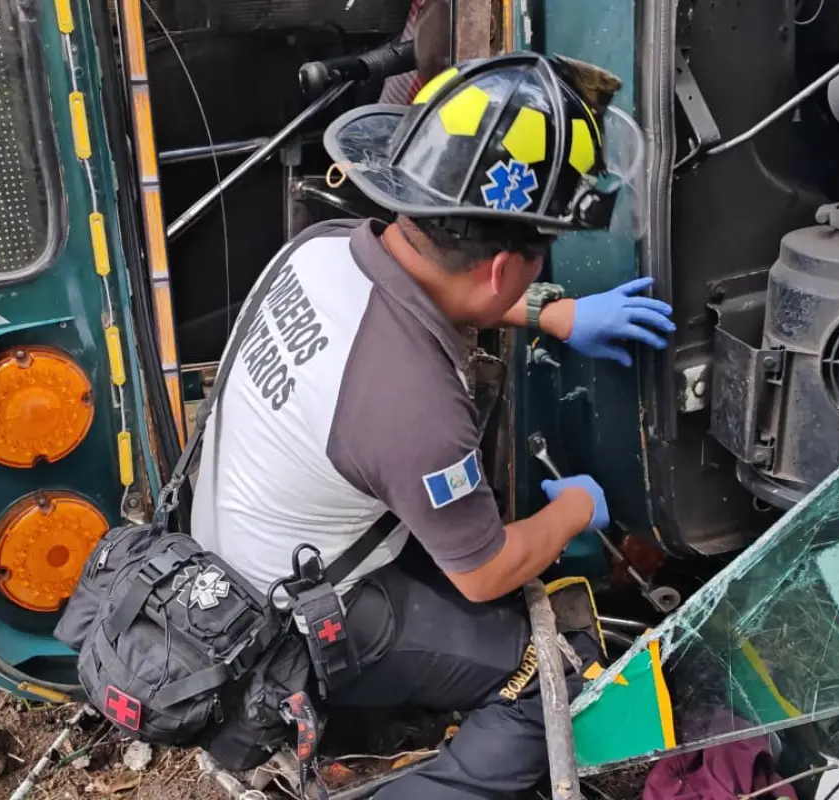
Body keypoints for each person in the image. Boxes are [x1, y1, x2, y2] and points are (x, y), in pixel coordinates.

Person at [190, 51, 675, 799]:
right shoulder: (412, 404)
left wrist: (553, 312)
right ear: (501, 268)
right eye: (539, 256)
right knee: (557, 669)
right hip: (279, 633)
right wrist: (575, 509)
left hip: (227, 562)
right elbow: (484, 574)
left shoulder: (324, 246)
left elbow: (434, 284)